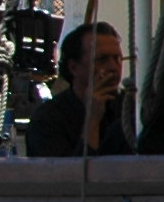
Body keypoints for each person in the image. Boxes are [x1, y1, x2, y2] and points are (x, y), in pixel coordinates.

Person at [24, 22, 134, 158]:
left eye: (117, 58)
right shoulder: (48, 120)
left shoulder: (129, 110)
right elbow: (71, 176)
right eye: (102, 59)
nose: (113, 67)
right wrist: (92, 120)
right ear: (74, 68)